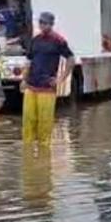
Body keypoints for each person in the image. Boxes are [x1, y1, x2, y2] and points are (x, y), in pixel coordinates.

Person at [21, 11, 73, 152]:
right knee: (28, 122)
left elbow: (70, 59)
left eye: (45, 23)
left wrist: (61, 78)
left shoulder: (58, 41)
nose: (42, 25)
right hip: (31, 87)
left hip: (47, 88)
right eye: (41, 23)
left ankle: (44, 154)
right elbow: (29, 61)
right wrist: (24, 79)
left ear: (51, 24)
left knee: (45, 124)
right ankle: (28, 155)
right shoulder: (35, 40)